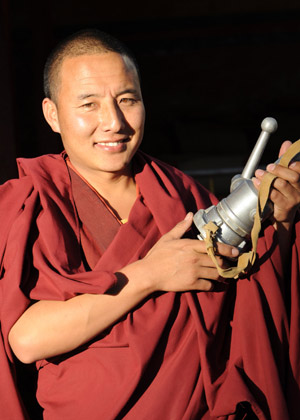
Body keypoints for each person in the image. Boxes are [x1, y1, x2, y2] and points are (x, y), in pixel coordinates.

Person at [0, 29, 300, 420]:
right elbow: (26, 340)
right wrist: (148, 275)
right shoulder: (30, 203)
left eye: (128, 100)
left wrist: (280, 221)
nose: (113, 122)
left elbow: (247, 306)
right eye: (88, 104)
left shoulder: (182, 196)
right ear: (52, 114)